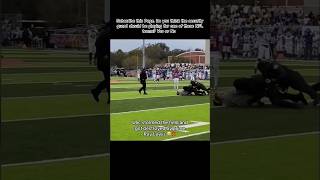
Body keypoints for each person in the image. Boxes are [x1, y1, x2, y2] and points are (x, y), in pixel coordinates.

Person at [91, 23, 110, 104]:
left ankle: (97, 91)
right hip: (106, 60)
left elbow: (97, 47)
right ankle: (96, 91)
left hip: (102, 60)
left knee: (108, 79)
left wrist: (96, 58)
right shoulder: (107, 35)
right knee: (109, 80)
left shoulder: (102, 35)